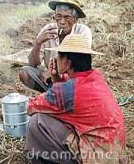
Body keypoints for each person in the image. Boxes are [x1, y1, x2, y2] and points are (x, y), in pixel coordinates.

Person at [24, 34, 127, 164]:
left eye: (59, 56)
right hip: (113, 152)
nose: (56, 59)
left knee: (38, 121)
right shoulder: (94, 76)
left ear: (67, 62)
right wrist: (56, 77)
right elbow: (69, 90)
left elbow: (32, 106)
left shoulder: (69, 90)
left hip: (97, 157)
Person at [19, 0, 92, 92]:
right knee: (25, 73)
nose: (62, 21)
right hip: (52, 79)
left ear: (76, 19)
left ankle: (60, 96)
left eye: (67, 17)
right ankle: (52, 94)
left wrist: (52, 72)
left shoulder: (82, 31)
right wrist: (38, 43)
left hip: (73, 81)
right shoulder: (48, 30)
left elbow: (79, 66)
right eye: (58, 16)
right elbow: (32, 64)